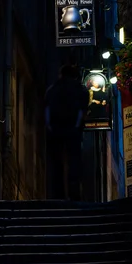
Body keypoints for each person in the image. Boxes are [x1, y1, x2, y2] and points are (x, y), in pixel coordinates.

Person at [45, 65, 89, 200]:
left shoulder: (53, 89)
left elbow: (47, 108)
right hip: (72, 129)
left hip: (56, 128)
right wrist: (77, 125)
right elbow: (83, 109)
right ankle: (74, 192)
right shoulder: (80, 90)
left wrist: (49, 126)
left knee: (56, 161)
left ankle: (58, 194)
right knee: (74, 160)